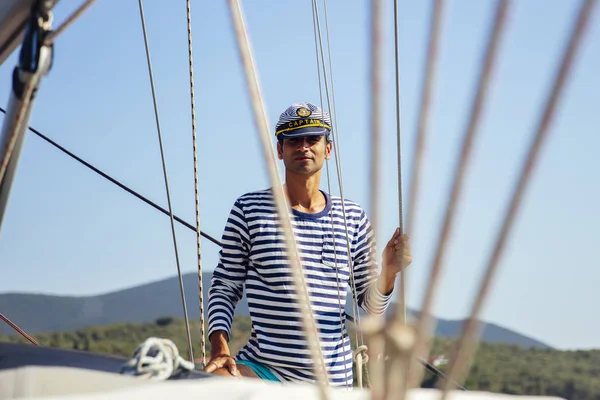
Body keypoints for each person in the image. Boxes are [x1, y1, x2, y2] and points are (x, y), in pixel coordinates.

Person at [203, 102, 412, 388]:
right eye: (293, 141)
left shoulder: (352, 217)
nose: (303, 147)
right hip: (264, 368)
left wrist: (389, 272)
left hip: (331, 383)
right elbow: (225, 287)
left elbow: (370, 305)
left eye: (313, 139)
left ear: (328, 149)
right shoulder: (248, 209)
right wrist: (220, 348)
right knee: (211, 386)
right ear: (280, 150)